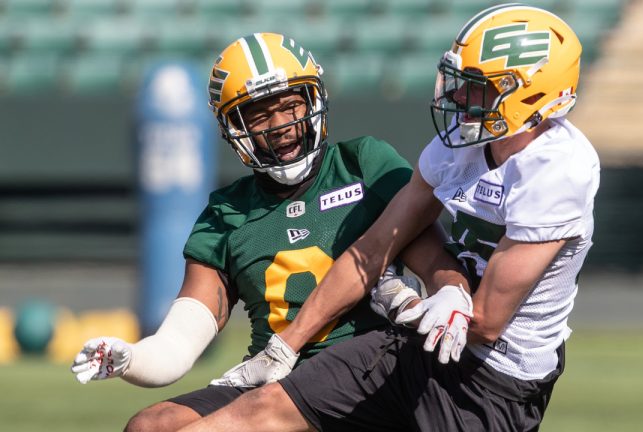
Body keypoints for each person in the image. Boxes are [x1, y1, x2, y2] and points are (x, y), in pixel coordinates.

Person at [178, 4, 601, 432]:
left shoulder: (557, 170)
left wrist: (406, 302)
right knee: (259, 410)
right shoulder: (459, 149)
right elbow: (373, 248)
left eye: (477, 88)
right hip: (420, 344)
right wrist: (284, 347)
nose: (456, 98)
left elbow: (488, 322)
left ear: (528, 95)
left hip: (494, 378)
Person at [69, 32, 468, 432]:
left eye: (291, 105)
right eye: (258, 115)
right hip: (272, 372)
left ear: (314, 101)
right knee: (151, 425)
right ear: (232, 127)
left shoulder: (363, 163)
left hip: (368, 369)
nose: (280, 125)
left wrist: (450, 288)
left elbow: (433, 258)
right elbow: (180, 342)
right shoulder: (226, 212)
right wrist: (133, 359)